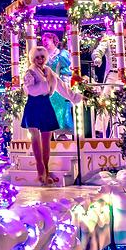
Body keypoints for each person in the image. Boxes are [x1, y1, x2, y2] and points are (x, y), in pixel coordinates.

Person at [21, 45, 82, 185]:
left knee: (46, 140)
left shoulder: (48, 71)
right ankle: (40, 170)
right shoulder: (30, 72)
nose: (40, 60)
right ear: (32, 58)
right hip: (34, 105)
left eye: (42, 57)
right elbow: (29, 90)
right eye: (37, 57)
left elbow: (61, 86)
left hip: (45, 105)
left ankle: (46, 171)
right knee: (36, 139)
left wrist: (74, 97)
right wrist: (44, 86)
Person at [41, 32, 74, 138]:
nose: (44, 42)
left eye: (47, 39)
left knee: (61, 109)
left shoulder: (61, 54)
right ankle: (48, 135)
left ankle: (62, 134)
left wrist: (66, 86)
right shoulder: (43, 57)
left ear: (53, 39)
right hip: (46, 88)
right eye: (43, 40)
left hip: (59, 87)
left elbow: (66, 72)